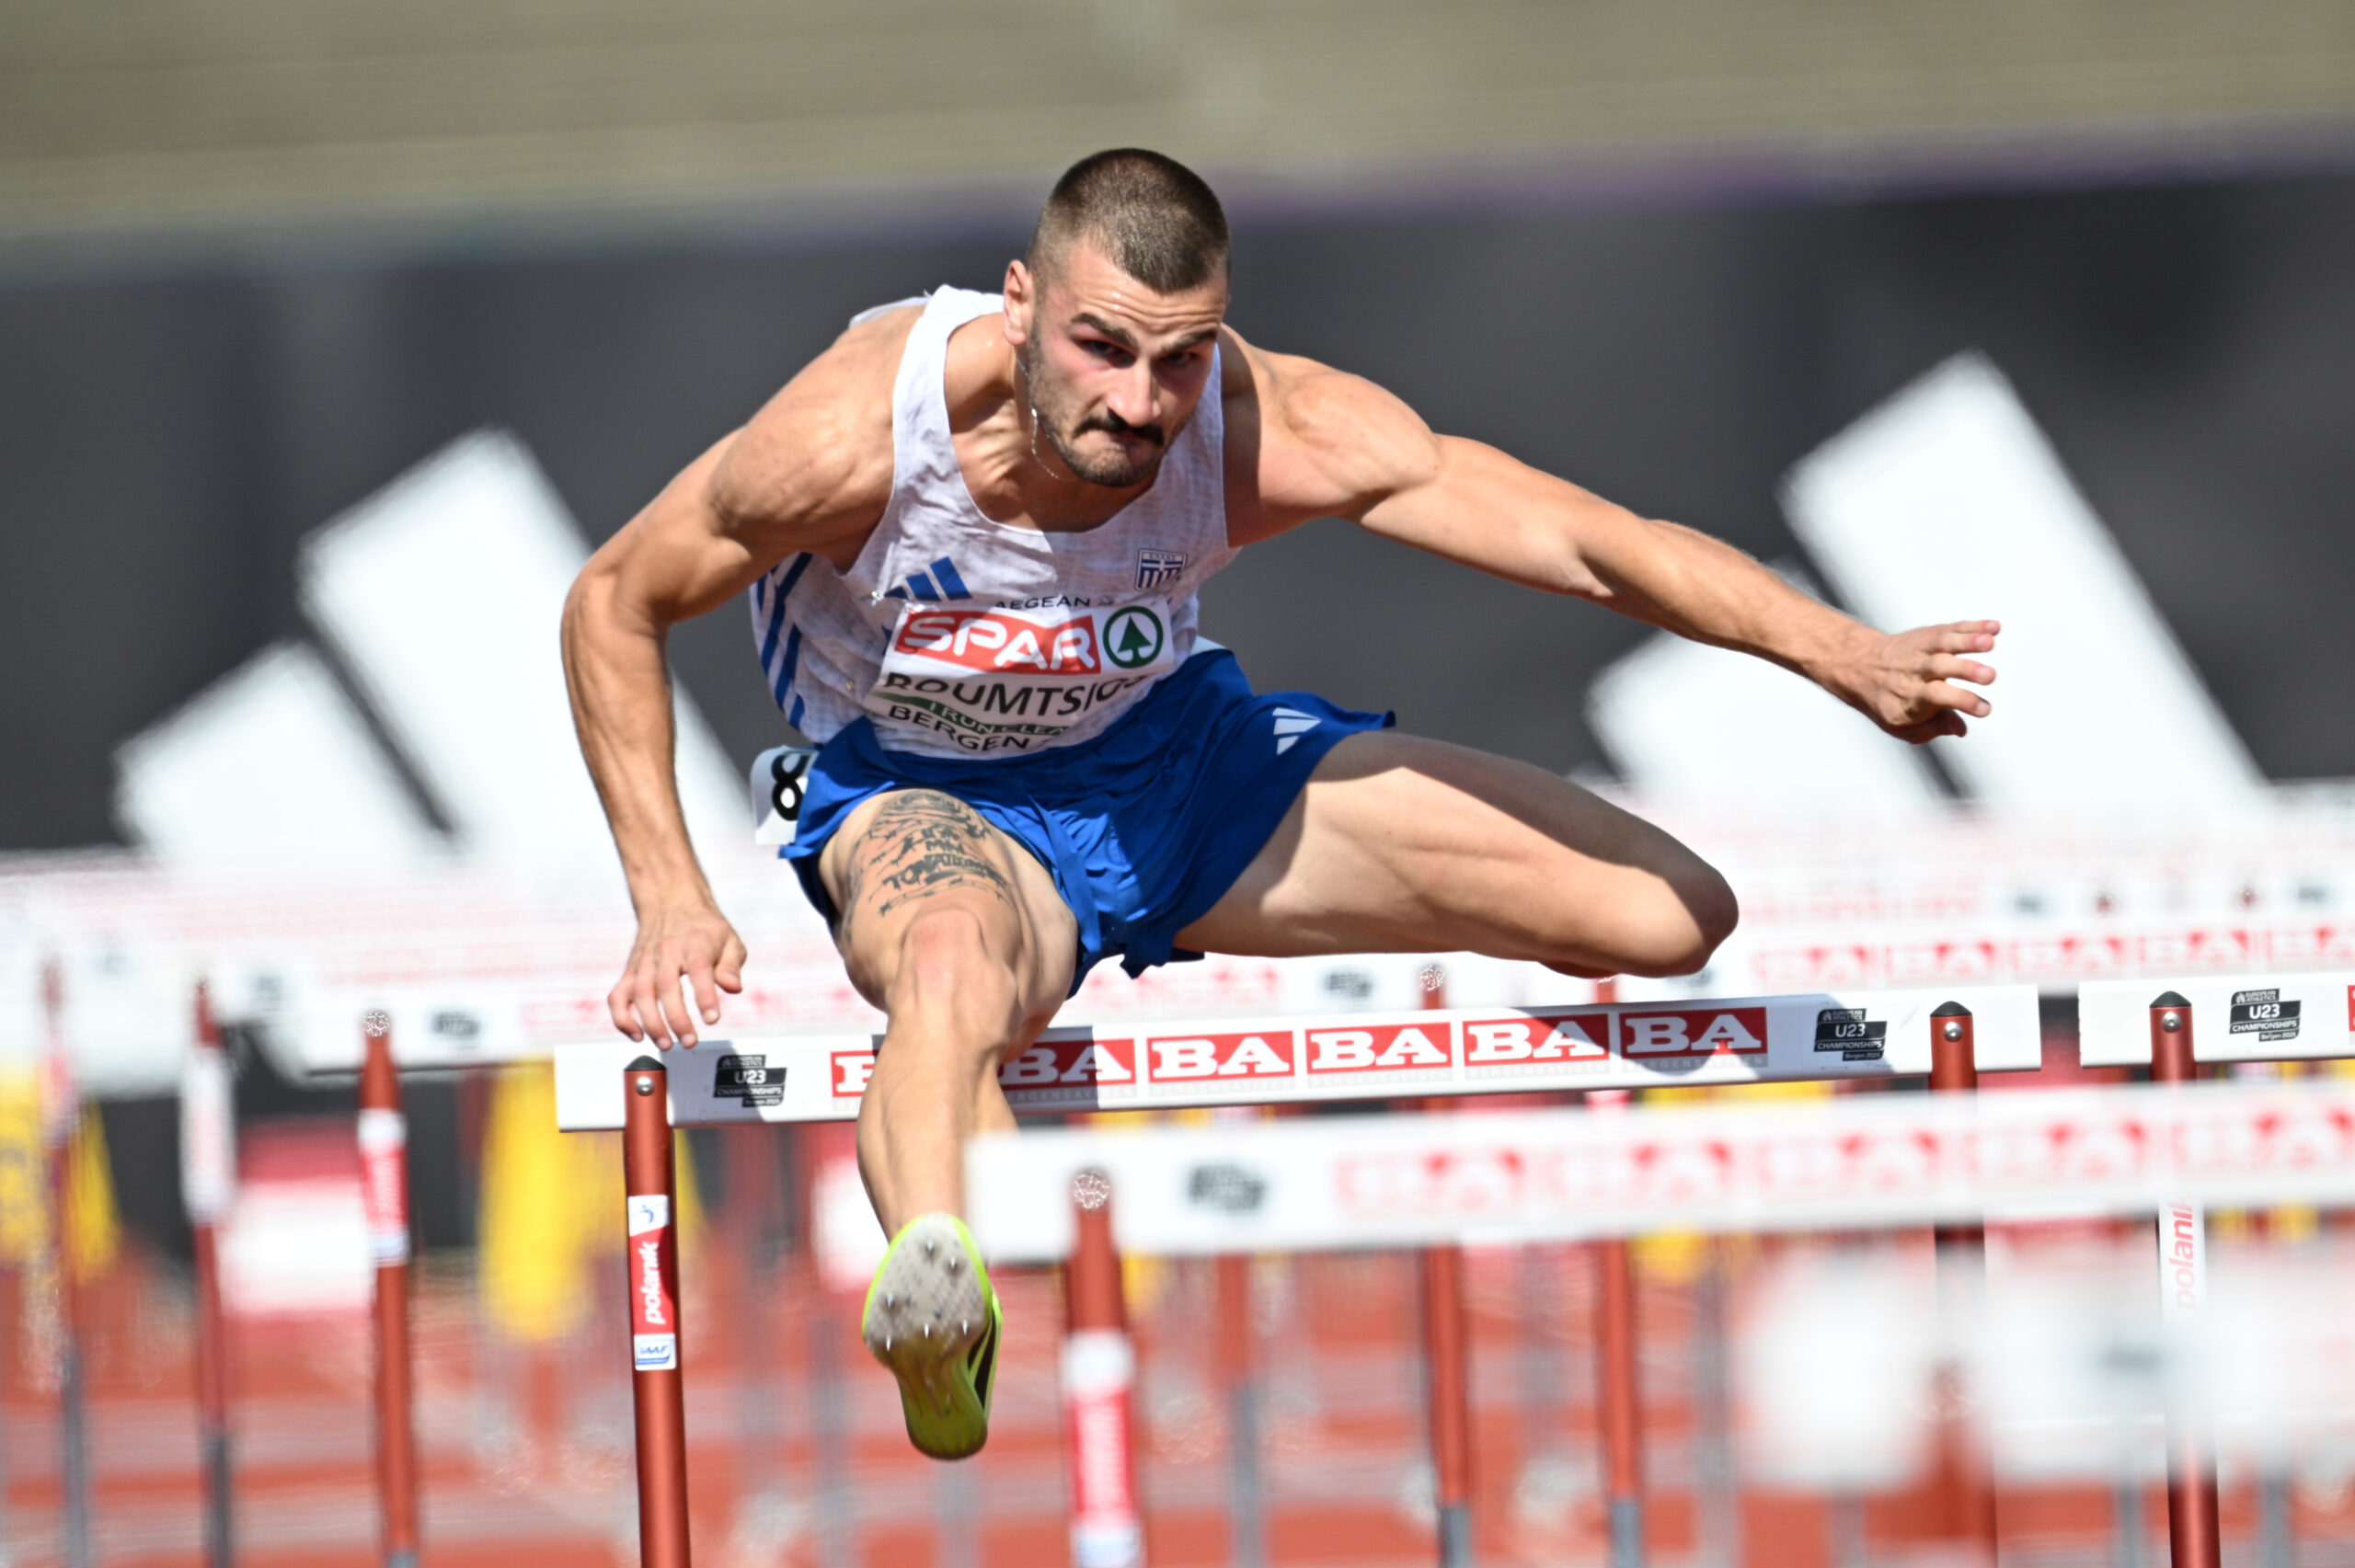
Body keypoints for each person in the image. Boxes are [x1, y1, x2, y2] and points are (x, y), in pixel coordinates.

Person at [561, 148, 1998, 1459]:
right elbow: (613, 601)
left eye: (1178, 361)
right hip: (923, 798)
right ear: (1019, 305)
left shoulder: (1264, 426)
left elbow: (1588, 540)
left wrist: (1841, 651)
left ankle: (984, 1195)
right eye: (1102, 348)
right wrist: (669, 891)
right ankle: (942, 1292)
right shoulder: (854, 439)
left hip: (1178, 762)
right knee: (949, 966)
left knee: (1666, 912)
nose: (1137, 402)